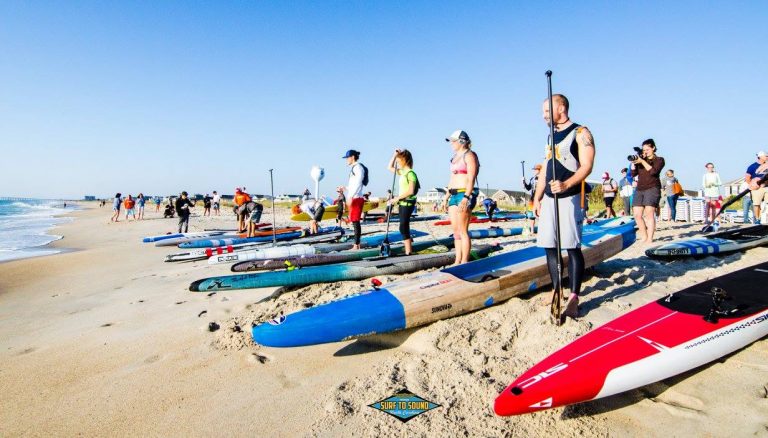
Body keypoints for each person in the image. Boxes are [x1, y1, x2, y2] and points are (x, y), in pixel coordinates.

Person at [533, 94, 595, 319]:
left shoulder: (581, 132)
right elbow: (545, 169)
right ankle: (556, 289)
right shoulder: (550, 137)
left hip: (569, 197)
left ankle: (573, 297)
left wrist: (566, 183)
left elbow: (587, 166)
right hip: (549, 199)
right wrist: (537, 197)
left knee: (571, 247)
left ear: (561, 108)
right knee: (549, 246)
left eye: (547, 111)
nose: (543, 116)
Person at [442, 130, 479, 265]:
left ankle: (464, 261)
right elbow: (452, 178)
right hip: (453, 194)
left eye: (453, 141)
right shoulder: (454, 158)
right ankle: (457, 260)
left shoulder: (469, 156)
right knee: (456, 231)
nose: (451, 143)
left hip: (464, 194)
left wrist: (466, 197)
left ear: (461, 141)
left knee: (463, 230)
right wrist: (446, 197)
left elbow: (471, 178)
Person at [631, 139, 665, 243]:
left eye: (647, 149)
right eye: (644, 149)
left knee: (649, 214)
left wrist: (643, 161)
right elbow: (633, 174)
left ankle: (650, 238)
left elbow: (653, 172)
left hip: (652, 188)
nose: (645, 151)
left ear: (653, 148)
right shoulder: (642, 159)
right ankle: (644, 236)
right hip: (640, 189)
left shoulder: (659, 159)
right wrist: (633, 163)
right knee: (637, 215)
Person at [387, 149, 419, 255]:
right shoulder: (402, 172)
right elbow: (389, 167)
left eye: (399, 160)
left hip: (408, 203)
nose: (397, 162)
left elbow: (410, 191)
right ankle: (409, 244)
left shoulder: (410, 173)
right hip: (402, 203)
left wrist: (397, 198)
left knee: (403, 226)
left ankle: (408, 251)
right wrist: (394, 154)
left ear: (404, 160)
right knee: (402, 227)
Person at [342, 149, 368, 249]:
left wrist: (351, 197)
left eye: (347, 158)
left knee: (355, 221)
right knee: (353, 221)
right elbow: (353, 185)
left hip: (356, 199)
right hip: (354, 197)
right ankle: (356, 244)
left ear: (352, 157)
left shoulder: (358, 168)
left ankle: (357, 245)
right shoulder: (354, 168)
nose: (346, 160)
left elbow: (358, 183)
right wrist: (345, 188)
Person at [745, 151, 768, 224]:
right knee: (757, 204)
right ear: (760, 157)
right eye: (766, 156)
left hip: (766, 187)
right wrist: (752, 185)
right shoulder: (752, 166)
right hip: (757, 188)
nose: (767, 157)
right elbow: (747, 177)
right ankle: (758, 219)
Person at [523, 164, 542, 234]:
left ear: (540, 170)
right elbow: (528, 188)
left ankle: (541, 230)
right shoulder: (532, 179)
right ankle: (532, 230)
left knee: (540, 214)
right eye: (534, 169)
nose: (534, 171)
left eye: (536, 169)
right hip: (532, 199)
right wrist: (524, 182)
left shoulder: (544, 178)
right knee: (531, 215)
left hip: (541, 199)